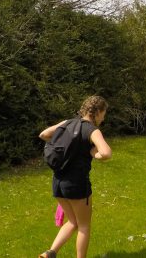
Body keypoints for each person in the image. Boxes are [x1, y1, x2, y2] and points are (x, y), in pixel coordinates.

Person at [38, 96, 112, 258]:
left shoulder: (67, 123)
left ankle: (50, 253)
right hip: (77, 185)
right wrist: (94, 153)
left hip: (58, 183)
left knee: (73, 222)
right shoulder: (92, 130)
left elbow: (43, 134)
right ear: (97, 112)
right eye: (103, 114)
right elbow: (106, 153)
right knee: (84, 226)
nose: (104, 118)